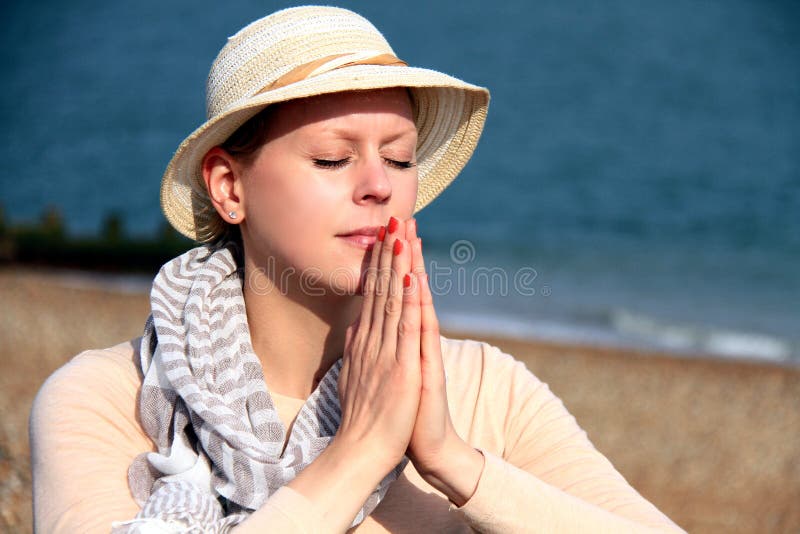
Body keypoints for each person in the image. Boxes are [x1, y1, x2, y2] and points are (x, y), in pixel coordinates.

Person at [30, 6, 684, 533]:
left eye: (399, 159)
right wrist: (359, 453)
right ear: (230, 187)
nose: (379, 185)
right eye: (332, 159)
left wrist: (457, 463)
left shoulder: (486, 391)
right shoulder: (113, 400)